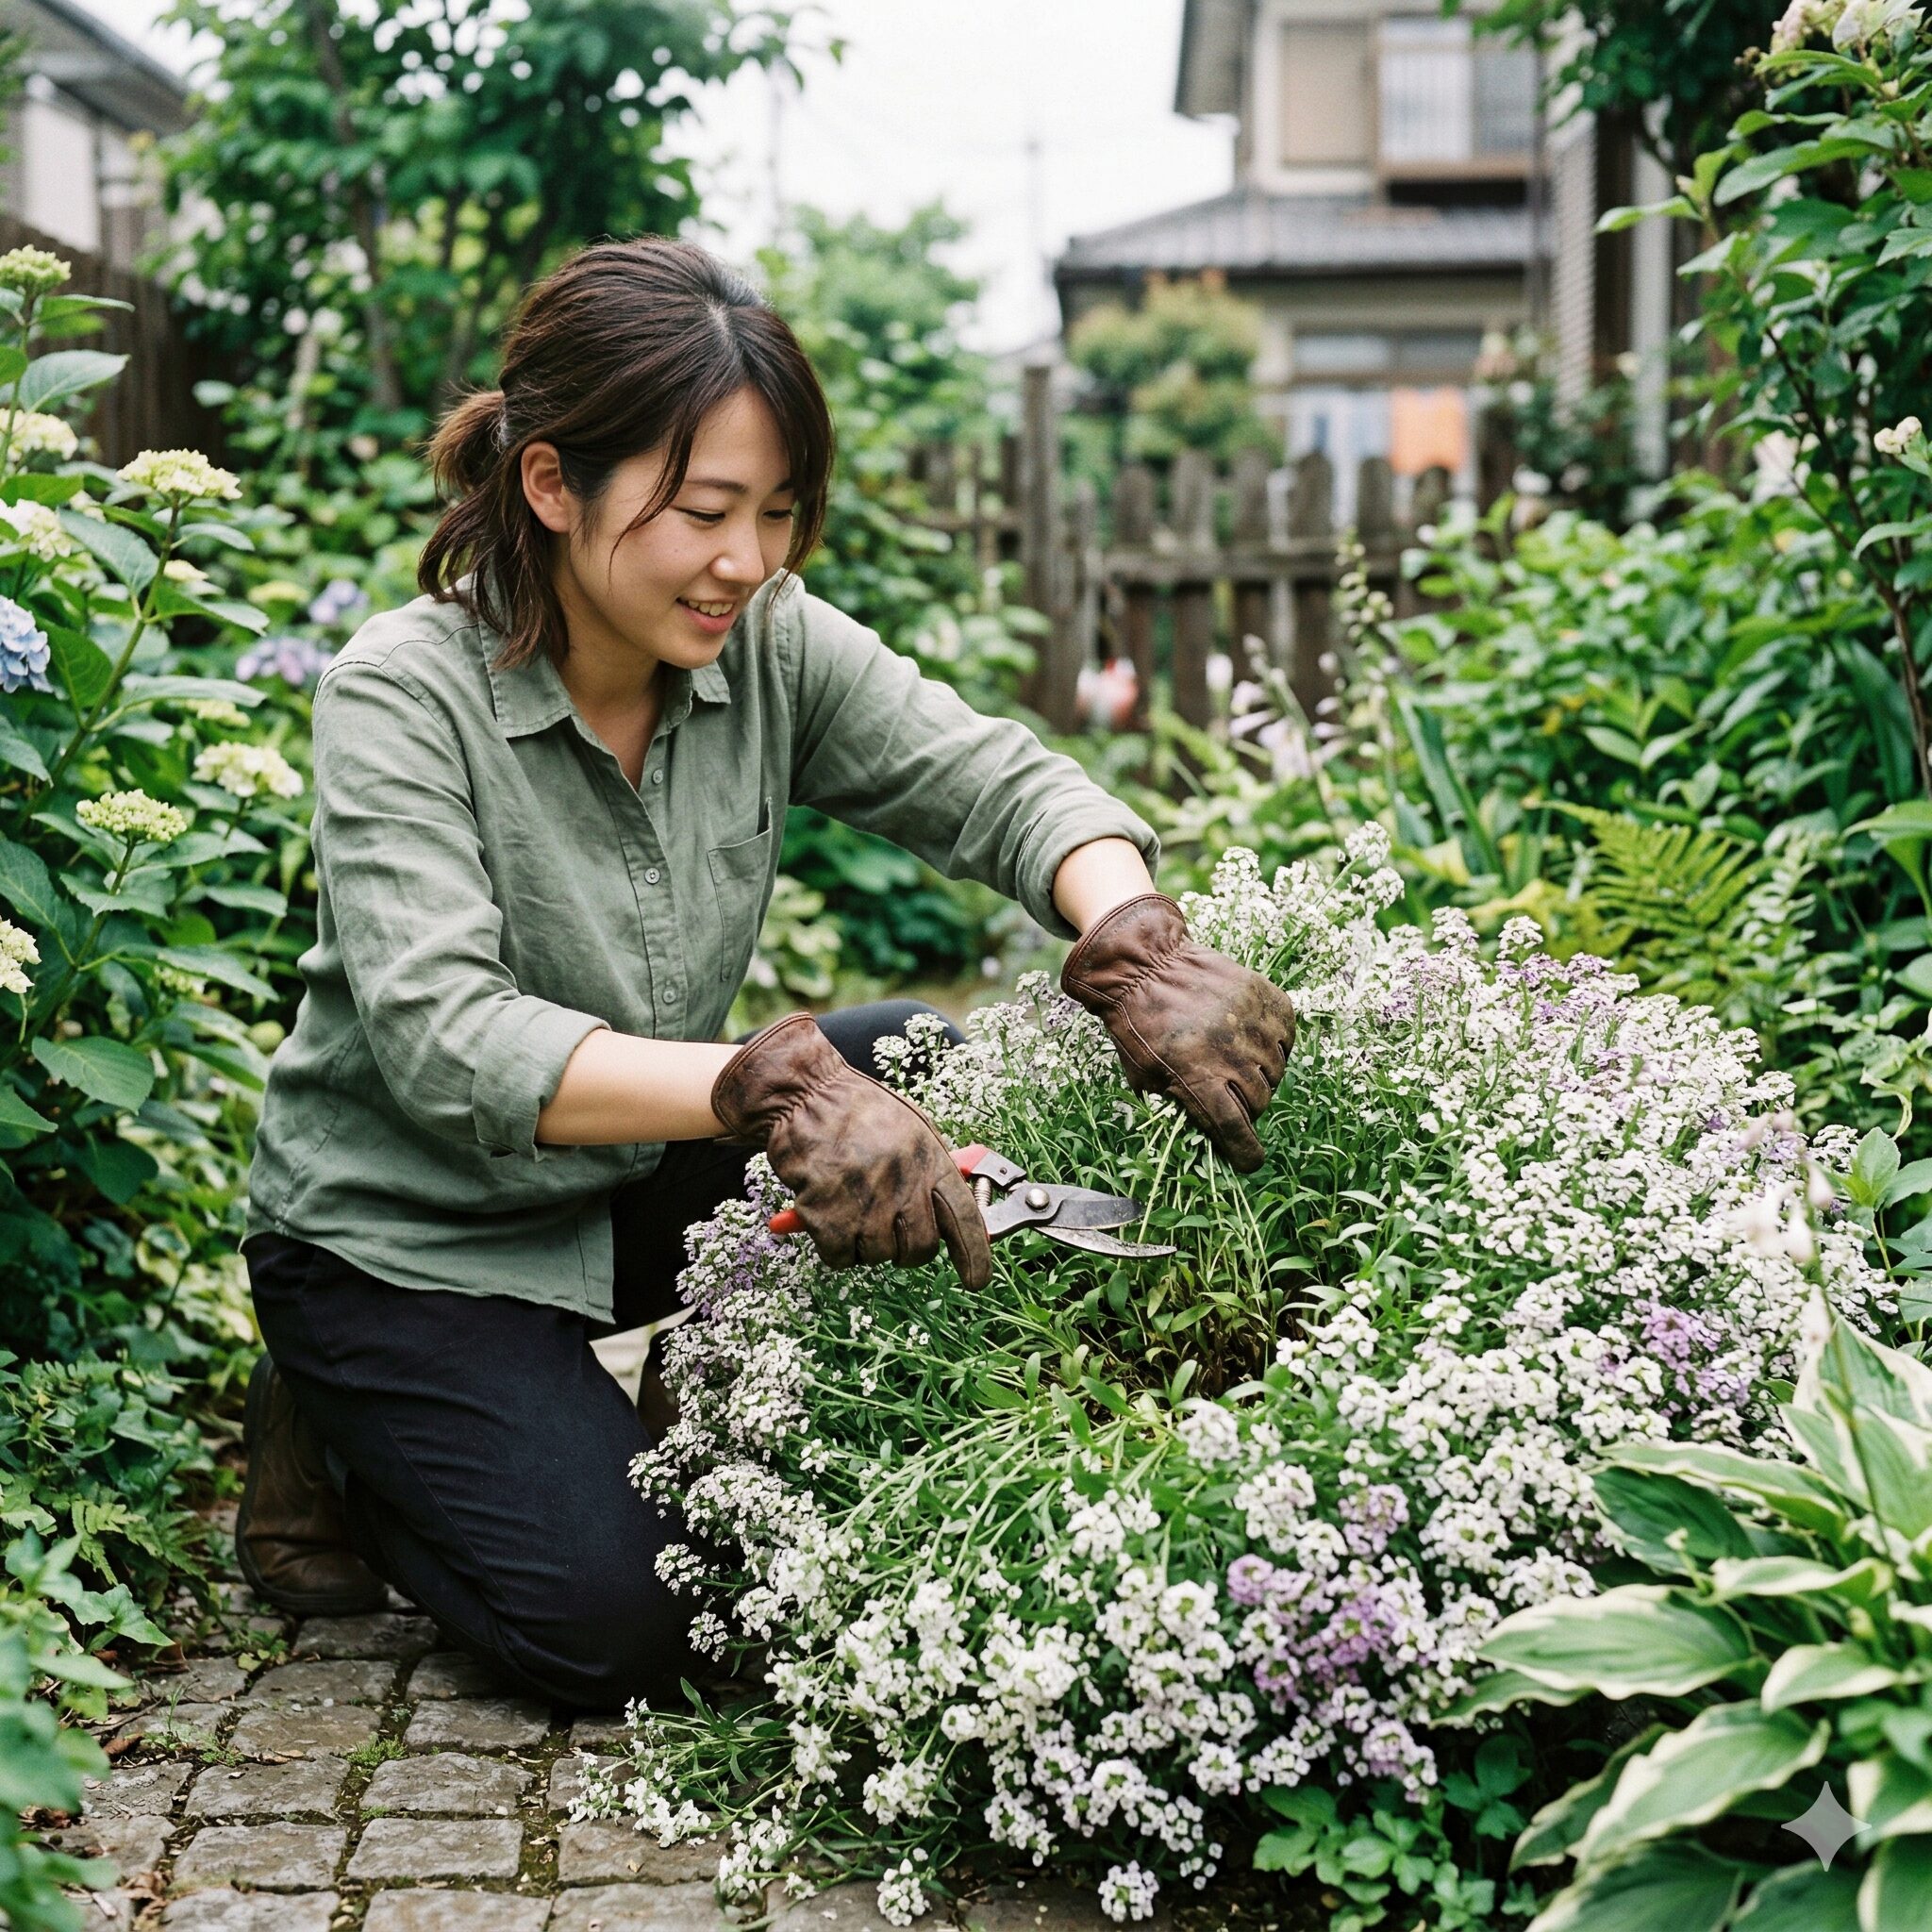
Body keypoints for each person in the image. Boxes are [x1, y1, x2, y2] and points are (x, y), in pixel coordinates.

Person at [236, 238, 1297, 1711]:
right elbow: (443, 1037)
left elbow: (993, 781)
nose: (751, 560)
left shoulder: (766, 643)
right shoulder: (402, 696)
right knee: (626, 1632)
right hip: (402, 1236)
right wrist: (767, 1088)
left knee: (916, 1054)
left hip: (612, 1188)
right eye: (706, 513)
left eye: (780, 514)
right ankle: (339, 1432)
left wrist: (1140, 942)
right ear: (553, 486)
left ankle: (601, 1402)